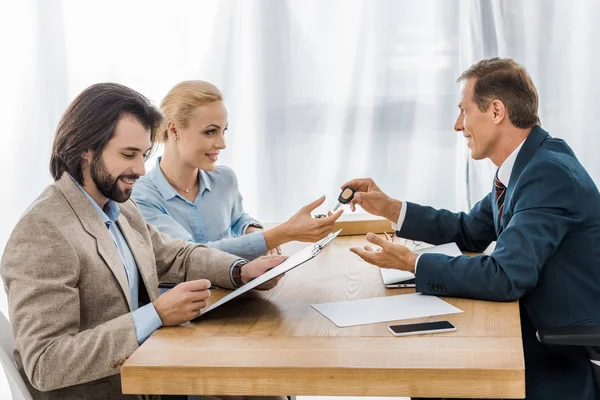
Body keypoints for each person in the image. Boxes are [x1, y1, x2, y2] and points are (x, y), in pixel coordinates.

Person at [1, 83, 287, 400]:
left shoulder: (120, 206)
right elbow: (46, 363)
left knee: (267, 384)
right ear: (86, 149)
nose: (140, 169)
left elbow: (176, 257)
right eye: (128, 154)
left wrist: (240, 271)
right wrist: (156, 314)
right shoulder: (43, 232)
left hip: (153, 377)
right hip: (113, 391)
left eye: (144, 154)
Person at [344, 58, 600, 400]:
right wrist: (392, 208)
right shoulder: (528, 165)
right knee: (429, 370)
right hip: (528, 325)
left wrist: (412, 263)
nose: (457, 125)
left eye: (464, 111)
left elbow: (506, 275)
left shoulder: (546, 174)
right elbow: (468, 230)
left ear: (496, 111)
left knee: (432, 379)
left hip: (556, 348)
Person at [132, 81, 342, 260]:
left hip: (235, 291)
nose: (222, 144)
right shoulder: (141, 197)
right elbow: (191, 256)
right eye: (210, 132)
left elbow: (237, 218)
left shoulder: (225, 179)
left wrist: (252, 230)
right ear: (174, 129)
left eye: (223, 131)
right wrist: (283, 233)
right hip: (184, 305)